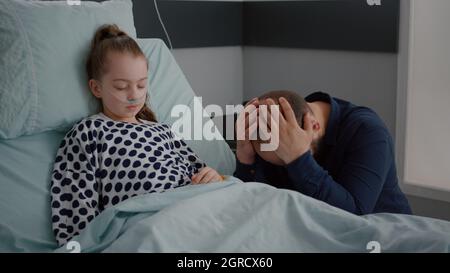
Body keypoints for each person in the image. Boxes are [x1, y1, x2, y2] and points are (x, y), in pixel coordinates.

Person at [50, 24, 223, 245]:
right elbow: (75, 202)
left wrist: (214, 178)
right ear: (96, 88)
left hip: (194, 207)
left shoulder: (161, 130)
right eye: (122, 87)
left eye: (141, 86)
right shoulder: (89, 132)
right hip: (148, 222)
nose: (134, 95)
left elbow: (201, 173)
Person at [234, 90, 412, 215]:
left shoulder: (368, 131)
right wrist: (246, 160)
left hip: (385, 236)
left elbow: (355, 213)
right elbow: (256, 202)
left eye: (286, 159)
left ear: (314, 126)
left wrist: (298, 158)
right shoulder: (277, 131)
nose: (285, 168)